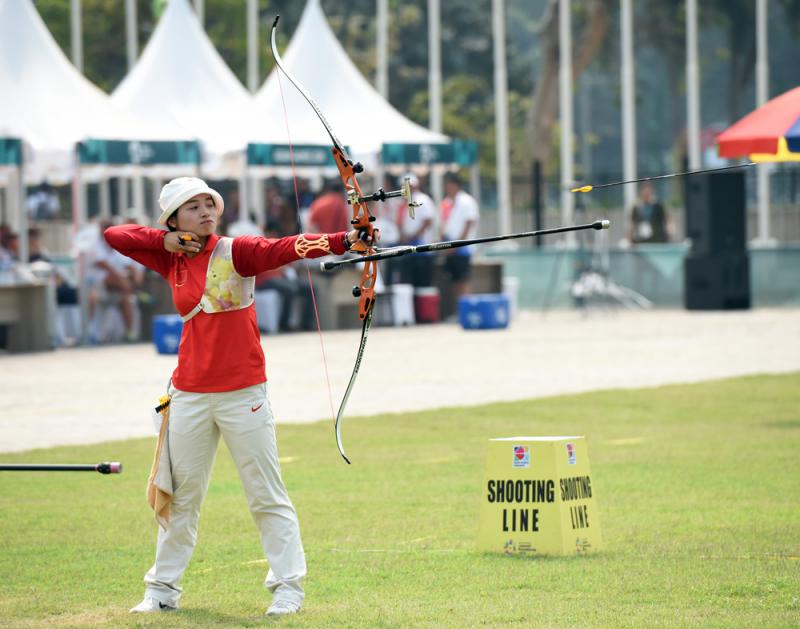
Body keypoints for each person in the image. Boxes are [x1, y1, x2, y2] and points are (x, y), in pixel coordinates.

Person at [104, 176, 376, 617]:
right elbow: (115, 236)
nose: (206, 212)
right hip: (189, 393)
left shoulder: (236, 251)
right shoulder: (169, 257)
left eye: (209, 204)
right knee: (181, 497)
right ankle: (162, 590)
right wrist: (168, 241)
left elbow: (286, 247)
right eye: (192, 207)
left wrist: (345, 239)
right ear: (173, 219)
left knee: (265, 493)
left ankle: (288, 587)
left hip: (243, 392)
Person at [440, 172, 479, 301]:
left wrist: (458, 244)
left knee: (463, 280)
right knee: (454, 280)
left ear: (456, 185)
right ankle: (458, 309)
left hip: (463, 248)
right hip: (450, 246)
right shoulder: (447, 202)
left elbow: (469, 224)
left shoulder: (466, 201)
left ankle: (466, 308)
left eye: (449, 185)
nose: (447, 188)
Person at [398, 174, 436, 287]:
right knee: (409, 285)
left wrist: (413, 237)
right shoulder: (403, 202)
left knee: (422, 284)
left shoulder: (422, 199)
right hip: (409, 248)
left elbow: (428, 221)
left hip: (422, 248)